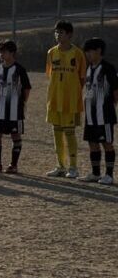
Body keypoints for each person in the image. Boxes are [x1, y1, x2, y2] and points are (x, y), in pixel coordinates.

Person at [45, 20, 86, 178]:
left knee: (69, 133)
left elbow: (82, 78)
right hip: (54, 99)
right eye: (56, 32)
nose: (57, 35)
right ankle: (60, 166)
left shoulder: (78, 54)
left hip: (70, 101)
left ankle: (73, 167)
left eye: (61, 32)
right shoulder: (51, 52)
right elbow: (50, 75)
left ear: (69, 34)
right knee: (57, 133)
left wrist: (73, 92)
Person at [0, 40, 31, 174]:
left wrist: (23, 103)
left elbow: (27, 88)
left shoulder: (19, 69)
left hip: (15, 109)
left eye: (4, 52)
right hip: (0, 108)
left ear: (12, 53)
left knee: (15, 135)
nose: (1, 54)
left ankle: (13, 165)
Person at [80, 38, 118, 185]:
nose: (88, 54)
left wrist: (111, 106)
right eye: (86, 52)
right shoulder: (89, 68)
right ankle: (95, 173)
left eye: (90, 51)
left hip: (105, 115)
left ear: (98, 51)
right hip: (90, 115)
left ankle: (109, 175)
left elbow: (115, 90)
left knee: (107, 143)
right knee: (92, 143)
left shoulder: (108, 68)